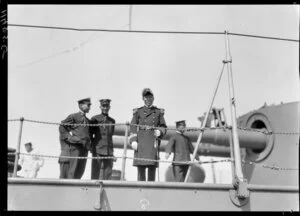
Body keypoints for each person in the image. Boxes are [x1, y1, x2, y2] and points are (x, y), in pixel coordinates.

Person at [130, 88, 167, 181]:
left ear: (153, 98)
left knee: (152, 168)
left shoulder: (158, 112)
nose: (148, 99)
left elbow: (163, 126)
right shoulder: (138, 112)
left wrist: (160, 131)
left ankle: (152, 189)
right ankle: (140, 189)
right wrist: (133, 140)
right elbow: (133, 126)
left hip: (152, 142)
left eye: (150, 97)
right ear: (143, 99)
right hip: (141, 141)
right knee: (141, 169)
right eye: (146, 97)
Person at [58, 97, 92, 179]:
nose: (89, 107)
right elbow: (62, 127)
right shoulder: (74, 116)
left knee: (81, 170)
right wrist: (70, 138)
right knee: (73, 169)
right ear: (80, 105)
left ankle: (75, 186)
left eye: (90, 105)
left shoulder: (87, 120)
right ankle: (70, 187)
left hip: (84, 148)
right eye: (88, 105)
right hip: (76, 146)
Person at [90, 99, 116, 180]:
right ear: (100, 107)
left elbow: (110, 136)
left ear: (109, 107)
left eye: (107, 106)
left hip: (108, 150)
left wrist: (112, 152)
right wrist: (92, 147)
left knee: (108, 173)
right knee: (95, 173)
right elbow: (91, 134)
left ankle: (106, 191)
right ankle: (93, 190)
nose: (105, 108)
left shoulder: (112, 121)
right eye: (103, 106)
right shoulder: (95, 119)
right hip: (98, 149)